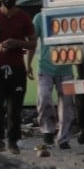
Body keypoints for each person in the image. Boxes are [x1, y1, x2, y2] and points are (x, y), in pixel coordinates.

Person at [0, 0, 35, 153]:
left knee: (15, 105)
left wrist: (17, 43)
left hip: (17, 67)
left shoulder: (23, 17)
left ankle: (13, 140)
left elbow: (33, 42)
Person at [28, 10, 74, 153]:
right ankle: (48, 131)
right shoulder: (40, 17)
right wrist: (28, 63)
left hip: (66, 68)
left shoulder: (69, 17)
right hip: (45, 67)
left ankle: (63, 138)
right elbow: (33, 41)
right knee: (44, 97)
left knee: (66, 105)